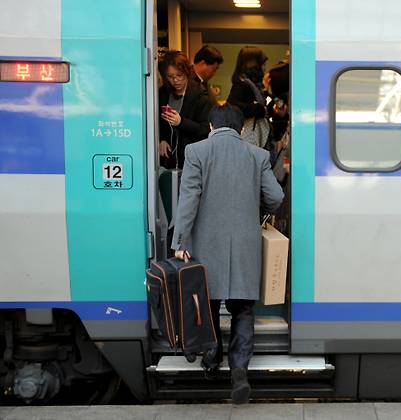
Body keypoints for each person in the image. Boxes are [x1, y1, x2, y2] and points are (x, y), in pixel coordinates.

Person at [170, 104, 284, 404]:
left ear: (210, 126)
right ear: (240, 129)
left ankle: (211, 359)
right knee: (243, 309)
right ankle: (239, 374)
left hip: (206, 244)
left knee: (207, 302)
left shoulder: (196, 152)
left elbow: (188, 200)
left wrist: (179, 241)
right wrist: (257, 212)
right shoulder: (257, 155)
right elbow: (276, 196)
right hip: (246, 244)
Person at [158, 51, 211, 169]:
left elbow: (205, 129)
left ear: (187, 73)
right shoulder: (163, 93)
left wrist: (181, 122)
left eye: (179, 75)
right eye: (170, 77)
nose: (175, 80)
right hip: (168, 158)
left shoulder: (200, 95)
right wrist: (162, 139)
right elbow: (157, 121)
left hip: (191, 159)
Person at [227, 46, 270, 148]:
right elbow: (233, 106)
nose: (265, 68)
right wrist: (259, 109)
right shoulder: (242, 84)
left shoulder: (251, 83)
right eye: (262, 64)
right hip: (248, 137)